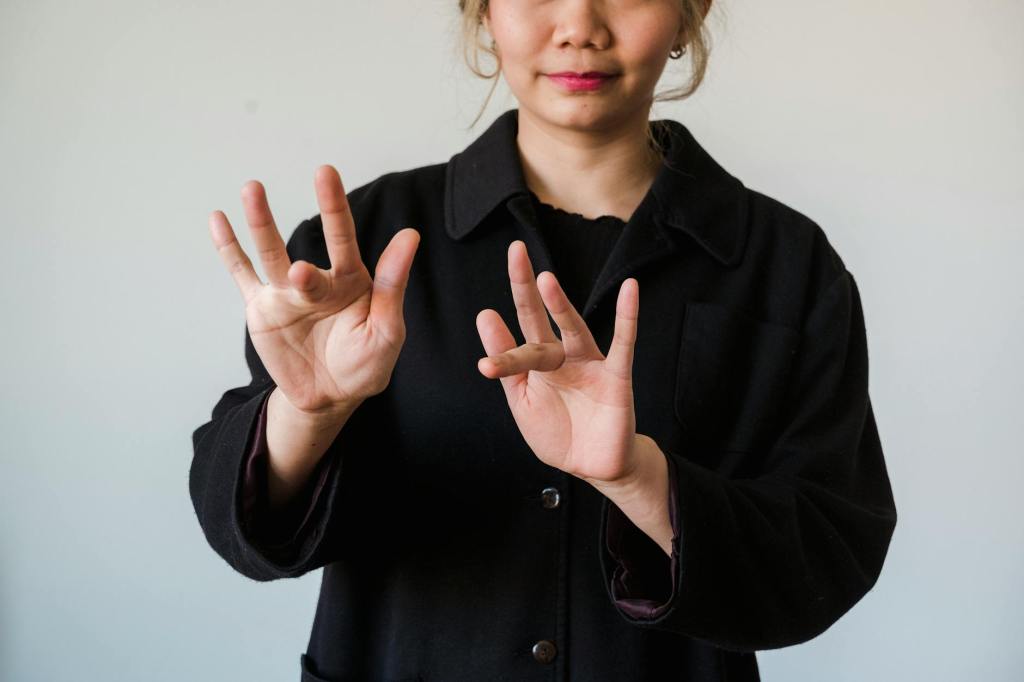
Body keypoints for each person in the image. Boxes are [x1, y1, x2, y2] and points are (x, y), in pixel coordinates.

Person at [189, 0, 898, 680]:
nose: (580, 27)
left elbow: (829, 553)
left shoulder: (789, 265)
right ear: (483, 12)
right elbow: (236, 525)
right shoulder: (365, 245)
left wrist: (642, 480)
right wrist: (307, 414)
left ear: (692, 10)